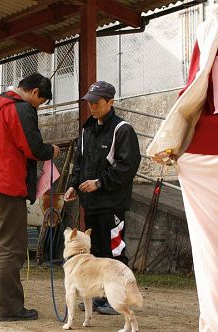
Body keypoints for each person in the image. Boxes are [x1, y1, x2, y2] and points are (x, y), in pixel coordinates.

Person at [0, 73, 59, 321]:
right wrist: (52, 150)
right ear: (36, 92)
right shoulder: (22, 109)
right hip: (5, 185)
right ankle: (9, 309)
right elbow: (34, 148)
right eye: (42, 101)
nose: (39, 106)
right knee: (10, 248)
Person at [147, 11, 218, 331]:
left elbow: (194, 87)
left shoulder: (211, 25)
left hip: (207, 148)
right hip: (205, 152)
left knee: (211, 253)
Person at [64, 81, 141, 315]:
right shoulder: (86, 130)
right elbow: (79, 163)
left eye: (97, 102)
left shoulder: (122, 129)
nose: (92, 107)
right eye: (90, 102)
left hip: (112, 204)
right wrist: (73, 186)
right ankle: (101, 297)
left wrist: (99, 183)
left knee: (115, 252)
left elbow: (127, 167)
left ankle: (120, 298)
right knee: (96, 252)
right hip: (91, 204)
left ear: (111, 102)